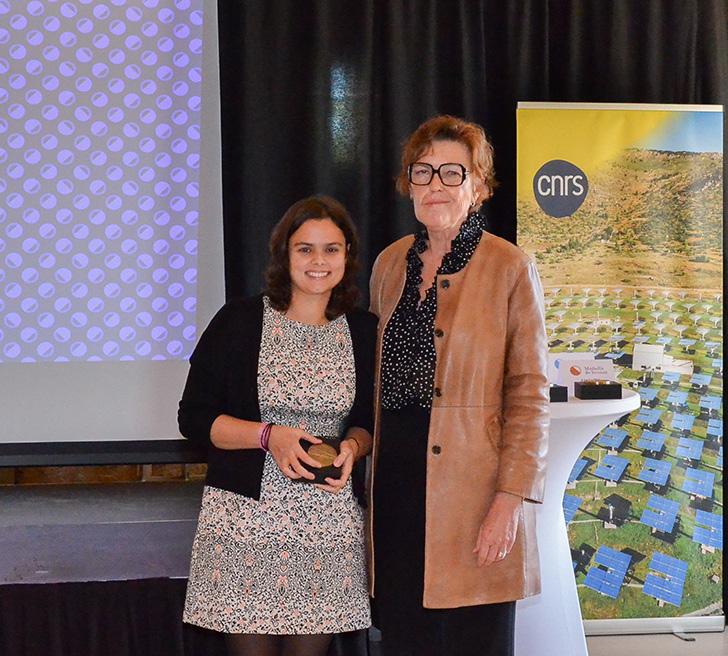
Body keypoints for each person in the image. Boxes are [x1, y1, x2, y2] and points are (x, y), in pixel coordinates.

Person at [368, 115, 550, 656]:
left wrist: (509, 499)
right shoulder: (388, 264)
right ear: (408, 185)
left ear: (479, 186)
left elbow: (529, 390)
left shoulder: (509, 267)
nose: (436, 186)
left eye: (453, 172)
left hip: (474, 492)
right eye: (422, 173)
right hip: (397, 486)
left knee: (475, 641)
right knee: (405, 640)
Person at [178, 195, 376, 656]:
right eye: (304, 248)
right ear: (284, 255)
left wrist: (353, 447)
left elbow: (367, 421)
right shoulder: (239, 321)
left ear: (348, 255)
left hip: (327, 524)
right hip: (245, 522)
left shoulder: (365, 331)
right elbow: (194, 418)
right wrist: (269, 436)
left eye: (331, 248)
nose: (318, 261)